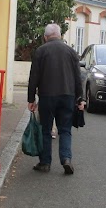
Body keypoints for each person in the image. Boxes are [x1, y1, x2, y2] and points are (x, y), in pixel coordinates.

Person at [27, 23, 85, 175]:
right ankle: (66, 159)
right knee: (65, 129)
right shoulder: (71, 52)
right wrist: (81, 99)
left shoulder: (41, 51)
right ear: (60, 36)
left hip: (47, 96)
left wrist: (31, 99)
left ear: (45, 37)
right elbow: (78, 78)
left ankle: (45, 163)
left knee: (46, 129)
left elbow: (34, 77)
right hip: (68, 96)